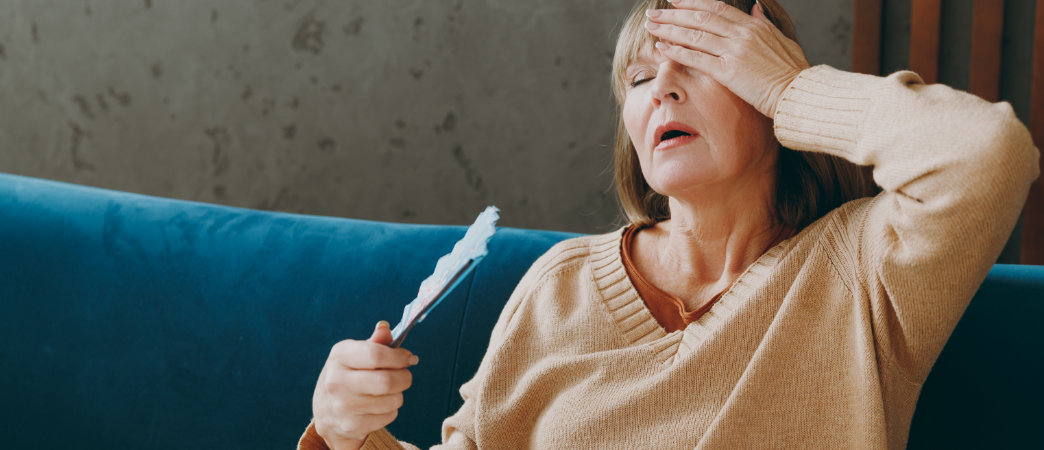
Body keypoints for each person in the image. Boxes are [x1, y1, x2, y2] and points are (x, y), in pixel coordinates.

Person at [301, 0, 1040, 447]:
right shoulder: (558, 287)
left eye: (701, 59)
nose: (663, 89)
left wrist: (792, 88)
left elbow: (989, 153)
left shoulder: (864, 270)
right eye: (640, 77)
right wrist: (346, 435)